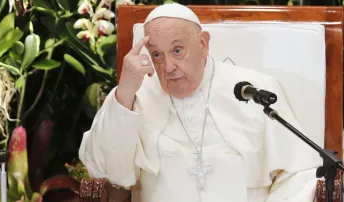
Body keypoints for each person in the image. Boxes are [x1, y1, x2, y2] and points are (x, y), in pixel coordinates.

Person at [79, 3, 323, 202]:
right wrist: (125, 90)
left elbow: (299, 172)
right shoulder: (136, 96)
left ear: (203, 44)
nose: (168, 67)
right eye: (156, 55)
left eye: (177, 50)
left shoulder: (253, 90)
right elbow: (107, 172)